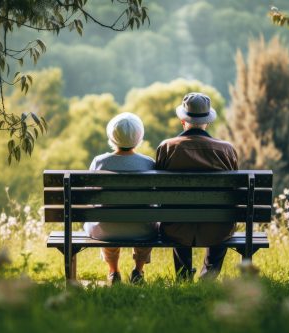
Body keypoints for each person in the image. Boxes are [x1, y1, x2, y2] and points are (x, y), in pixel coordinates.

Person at [156, 92, 238, 281]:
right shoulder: (226, 150)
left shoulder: (167, 147)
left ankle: (183, 276)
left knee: (175, 214)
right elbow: (233, 193)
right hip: (217, 227)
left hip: (176, 227)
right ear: (207, 122)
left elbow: (159, 192)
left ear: (182, 121)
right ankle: (208, 276)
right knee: (221, 222)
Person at [83, 112, 156, 285]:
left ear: (111, 136)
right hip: (142, 230)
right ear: (139, 137)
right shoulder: (148, 163)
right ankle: (138, 271)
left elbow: (88, 195)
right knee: (147, 219)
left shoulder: (100, 162)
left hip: (106, 229)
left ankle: (113, 271)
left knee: (105, 218)